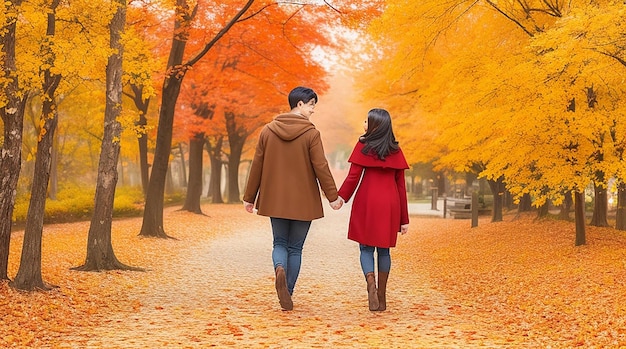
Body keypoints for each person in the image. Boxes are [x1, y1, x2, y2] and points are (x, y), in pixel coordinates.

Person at [243, 86, 343, 311]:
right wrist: (332, 197)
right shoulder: (311, 133)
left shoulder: (267, 131)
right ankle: (287, 291)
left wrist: (249, 197)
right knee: (295, 248)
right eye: (311, 105)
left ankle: (279, 268)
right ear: (299, 104)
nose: (313, 110)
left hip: (274, 198)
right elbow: (321, 166)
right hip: (303, 200)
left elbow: (256, 164)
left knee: (279, 243)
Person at [337, 108, 409, 311]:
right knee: (384, 250)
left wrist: (341, 198)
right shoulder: (396, 150)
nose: (364, 124)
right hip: (390, 202)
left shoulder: (363, 146)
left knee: (366, 248)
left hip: (367, 200)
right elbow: (401, 187)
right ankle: (382, 296)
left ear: (375, 126)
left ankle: (370, 283)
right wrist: (404, 219)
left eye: (367, 121)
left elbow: (353, 177)